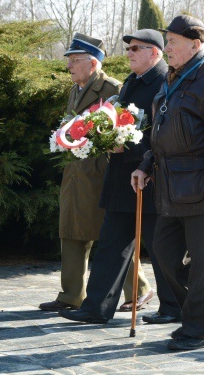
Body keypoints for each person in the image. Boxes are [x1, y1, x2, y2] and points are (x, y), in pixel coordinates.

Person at [131, 15, 204, 350]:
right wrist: (145, 165)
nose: (167, 50)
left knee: (201, 260)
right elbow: (160, 129)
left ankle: (198, 330)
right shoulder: (175, 76)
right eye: (167, 42)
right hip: (171, 184)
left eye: (173, 43)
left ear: (195, 45)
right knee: (164, 253)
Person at [59, 29, 178, 325]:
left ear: (154, 52)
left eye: (136, 48)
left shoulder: (165, 82)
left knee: (161, 246)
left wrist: (133, 150)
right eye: (128, 49)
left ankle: (174, 307)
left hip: (149, 178)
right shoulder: (131, 82)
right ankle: (96, 307)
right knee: (111, 244)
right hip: (120, 176)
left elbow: (163, 132)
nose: (129, 53)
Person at [39, 33, 153, 313]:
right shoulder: (75, 90)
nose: (69, 67)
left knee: (113, 236)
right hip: (75, 172)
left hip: (102, 173)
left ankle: (139, 289)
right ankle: (70, 295)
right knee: (71, 231)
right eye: (70, 61)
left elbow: (127, 133)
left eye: (75, 61)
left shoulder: (113, 89)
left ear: (92, 63)